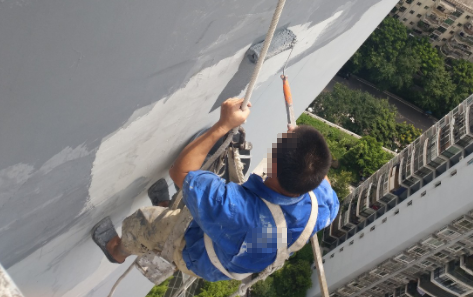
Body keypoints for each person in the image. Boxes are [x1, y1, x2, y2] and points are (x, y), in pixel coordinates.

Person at [92, 97, 339, 281]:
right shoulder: (324, 204)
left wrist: (224, 124)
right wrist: (297, 145)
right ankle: (170, 206)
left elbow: (181, 172)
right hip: (240, 247)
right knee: (196, 204)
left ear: (273, 166)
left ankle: (117, 251)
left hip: (199, 253)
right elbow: (314, 165)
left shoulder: (235, 210)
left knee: (143, 223)